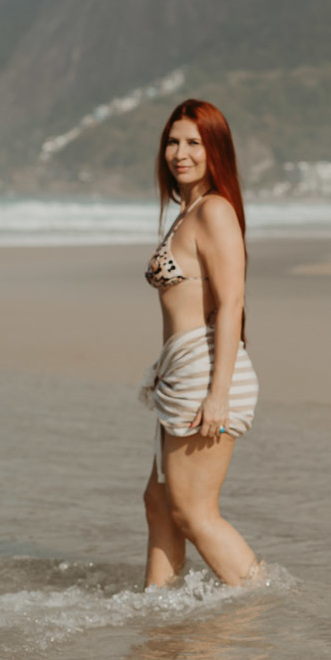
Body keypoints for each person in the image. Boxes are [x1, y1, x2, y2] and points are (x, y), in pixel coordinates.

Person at [140, 99, 260, 589]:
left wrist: (219, 393)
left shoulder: (214, 211)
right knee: (158, 503)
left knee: (193, 513)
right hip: (182, 373)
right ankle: (156, 607)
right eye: (173, 141)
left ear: (216, 151)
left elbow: (231, 304)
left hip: (207, 374)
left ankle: (259, 597)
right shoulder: (185, 212)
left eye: (194, 142)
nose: (180, 153)